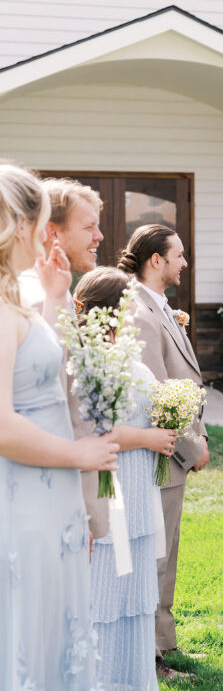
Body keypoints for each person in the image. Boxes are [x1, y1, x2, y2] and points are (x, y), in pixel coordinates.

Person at [0, 161, 118, 691]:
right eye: (42, 223)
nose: (47, 234)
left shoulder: (16, 296)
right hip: (23, 497)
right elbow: (1, 424)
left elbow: (34, 369)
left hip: (52, 504)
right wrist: (81, 456)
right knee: (26, 641)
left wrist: (47, 292)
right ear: (19, 222)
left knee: (53, 644)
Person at [74, 266, 177, 691]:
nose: (133, 312)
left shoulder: (128, 354)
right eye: (127, 304)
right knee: (103, 589)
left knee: (132, 582)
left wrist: (169, 421)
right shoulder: (84, 359)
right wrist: (148, 438)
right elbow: (89, 430)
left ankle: (130, 682)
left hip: (138, 483)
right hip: (110, 477)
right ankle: (93, 687)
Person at [118, 225, 209, 679]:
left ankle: (163, 643)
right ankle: (149, 657)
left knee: (166, 550)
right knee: (154, 553)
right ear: (156, 259)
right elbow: (156, 390)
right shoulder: (138, 310)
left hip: (174, 447)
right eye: (179, 255)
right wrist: (192, 446)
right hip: (161, 452)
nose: (184, 263)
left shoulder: (159, 306)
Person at [19, 177, 110, 539]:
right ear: (52, 232)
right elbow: (48, 407)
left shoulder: (56, 290)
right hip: (54, 483)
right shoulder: (38, 302)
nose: (99, 236)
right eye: (89, 227)